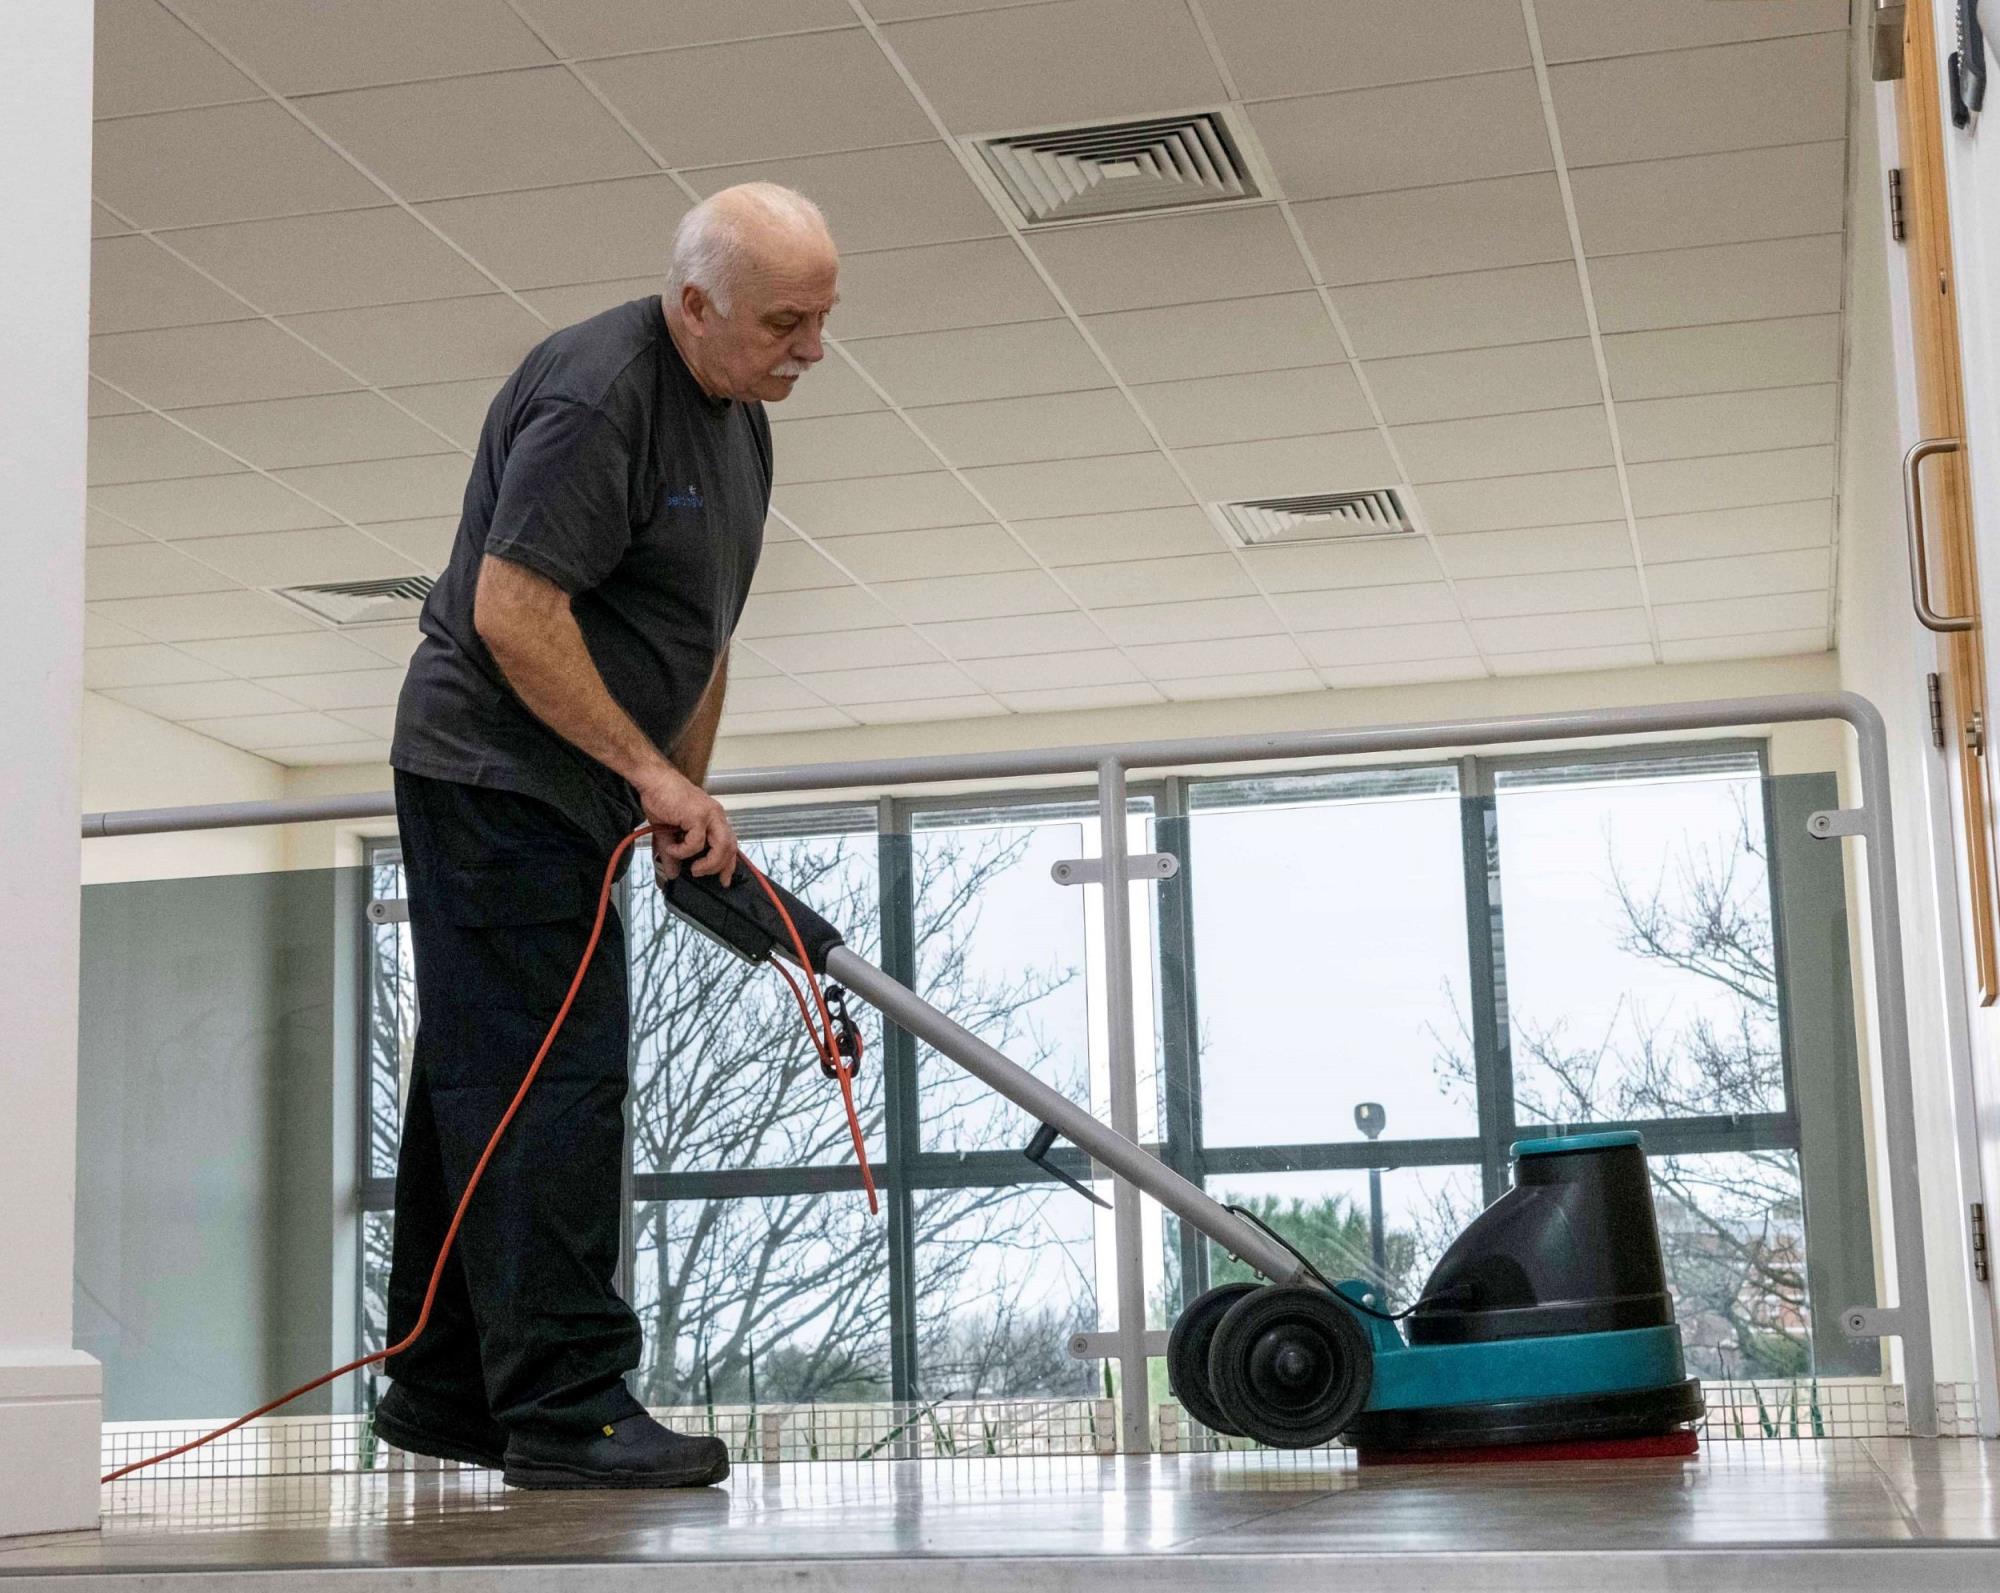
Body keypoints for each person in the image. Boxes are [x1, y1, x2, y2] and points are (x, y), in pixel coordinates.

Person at [377, 182, 837, 1490]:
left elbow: (702, 632)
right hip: (497, 770)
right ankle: (567, 1407)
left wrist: (684, 795)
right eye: (786, 321)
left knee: (486, 1072)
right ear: (697, 306)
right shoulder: (599, 395)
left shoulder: (737, 416)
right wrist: (645, 770)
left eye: (823, 317)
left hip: (583, 782)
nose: (811, 348)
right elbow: (514, 611)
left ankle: (448, 1386)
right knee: (553, 1079)